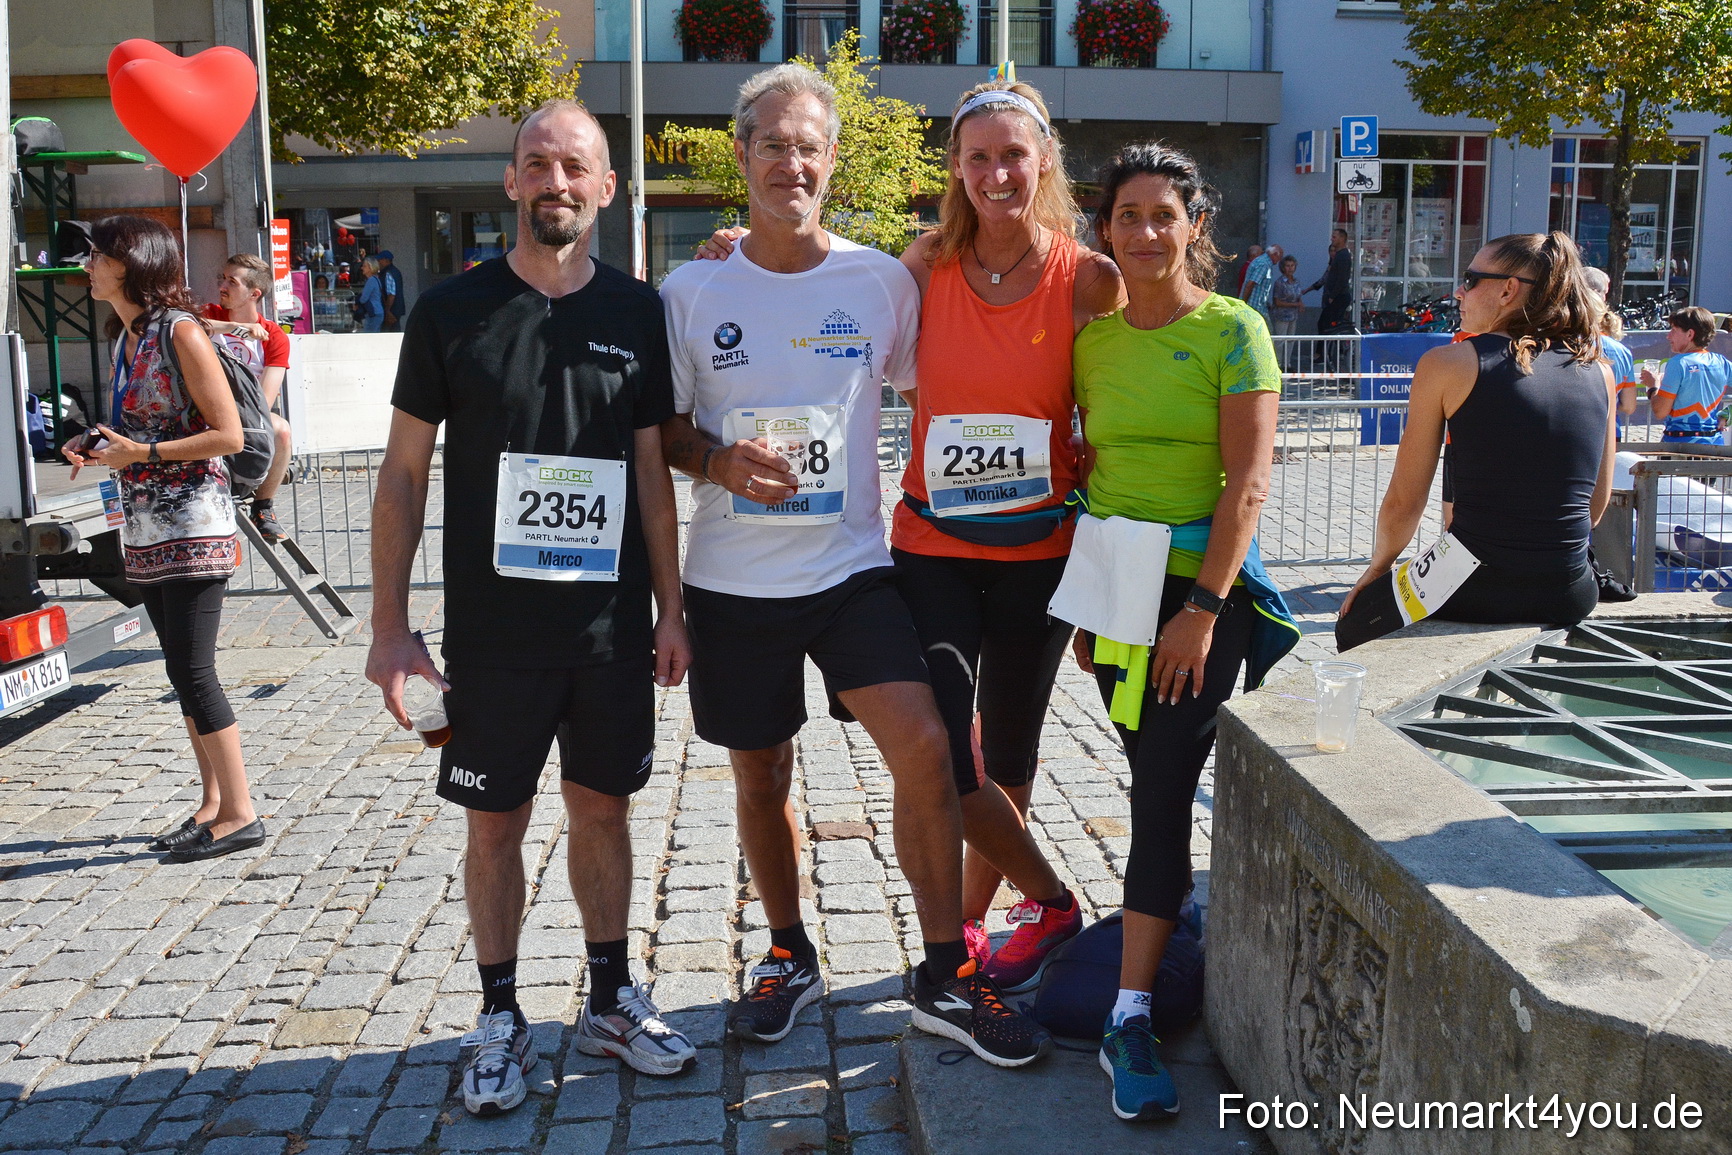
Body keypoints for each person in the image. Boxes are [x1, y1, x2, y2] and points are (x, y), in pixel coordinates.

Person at [656, 63, 1050, 1068]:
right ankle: (787, 954)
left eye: (809, 145)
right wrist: (714, 457)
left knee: (923, 743)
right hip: (735, 580)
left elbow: (957, 353)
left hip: (852, 571)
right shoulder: (691, 290)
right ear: (742, 157)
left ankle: (939, 974)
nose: (792, 162)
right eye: (773, 144)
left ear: (833, 161)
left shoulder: (881, 280)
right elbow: (658, 430)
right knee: (761, 773)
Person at [366, 98, 697, 1117]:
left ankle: (607, 996)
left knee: (604, 811)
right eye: (537, 165)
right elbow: (404, 474)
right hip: (493, 640)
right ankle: (499, 1016)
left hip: (605, 634)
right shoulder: (449, 311)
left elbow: (650, 474)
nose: (556, 182)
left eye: (576, 168)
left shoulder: (638, 312)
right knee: (494, 825)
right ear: (511, 182)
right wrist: (388, 626)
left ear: (606, 188)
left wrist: (672, 609)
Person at [1071, 142, 1296, 1121]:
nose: (1147, 232)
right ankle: (1170, 917)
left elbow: (1247, 484)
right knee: (1144, 770)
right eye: (1128, 216)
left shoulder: (1232, 328)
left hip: (1200, 597)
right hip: (1110, 593)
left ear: (1195, 224)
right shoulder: (1090, 338)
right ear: (1105, 227)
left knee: (1162, 790)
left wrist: (1200, 613)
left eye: (1165, 215)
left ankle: (1128, 1018)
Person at [65, 215, 262, 863]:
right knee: (180, 670)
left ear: (134, 263)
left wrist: (141, 450)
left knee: (196, 668)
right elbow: (140, 430)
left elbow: (228, 434)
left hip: (196, 524)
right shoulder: (126, 338)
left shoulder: (180, 331)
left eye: (97, 255)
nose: (86, 264)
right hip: (148, 529)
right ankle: (210, 805)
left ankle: (241, 813)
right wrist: (98, 445)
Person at [1337, 233, 1616, 651]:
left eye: (1471, 279)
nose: (1459, 292)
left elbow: (1403, 502)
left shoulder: (1448, 363)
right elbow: (1595, 506)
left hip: (1474, 585)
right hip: (1570, 588)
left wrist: (1378, 570)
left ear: (1508, 290)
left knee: (1353, 627)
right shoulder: (1601, 372)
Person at [206, 253, 295, 541]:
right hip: (202, 409)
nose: (222, 285)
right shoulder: (209, 314)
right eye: (222, 278)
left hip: (247, 414)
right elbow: (184, 327)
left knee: (281, 430)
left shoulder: (274, 336)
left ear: (254, 293)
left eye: (232, 281)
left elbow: (264, 399)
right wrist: (233, 328)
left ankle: (263, 506)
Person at [1641, 306, 1732, 445]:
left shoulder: (1679, 363)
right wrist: (1726, 416)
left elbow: (1660, 411)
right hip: (1713, 444)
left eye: (1674, 330)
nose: (1668, 336)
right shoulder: (1722, 362)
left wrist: (1653, 387)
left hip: (1679, 445)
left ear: (1690, 334)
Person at [1580, 267, 1640, 433]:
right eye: (1605, 293)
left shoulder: (1562, 344)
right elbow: (1628, 406)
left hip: (1575, 431)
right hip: (1611, 431)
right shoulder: (1621, 351)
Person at [1307, 228, 1353, 333]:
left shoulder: (1343, 256)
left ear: (1342, 238)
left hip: (1339, 297)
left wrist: (1333, 295)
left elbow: (1342, 279)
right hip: (1335, 296)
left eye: (1334, 237)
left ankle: (1332, 348)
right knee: (1324, 325)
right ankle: (1323, 348)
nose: (1331, 239)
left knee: (1328, 325)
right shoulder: (1338, 256)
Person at [1271, 254, 1304, 371]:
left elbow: (1298, 295)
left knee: (1290, 340)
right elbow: (1277, 302)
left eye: (1292, 266)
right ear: (1283, 268)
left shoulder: (1296, 281)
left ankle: (1287, 363)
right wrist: (1295, 305)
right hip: (1282, 315)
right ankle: (1278, 364)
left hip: (1293, 316)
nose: (1290, 268)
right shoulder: (1280, 282)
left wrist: (1300, 303)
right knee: (1280, 340)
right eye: (1287, 266)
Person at [1240, 243, 1280, 323]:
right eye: (1280, 257)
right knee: (1267, 333)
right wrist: (1242, 304)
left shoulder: (1264, 263)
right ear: (1275, 254)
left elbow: (1260, 288)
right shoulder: (1264, 264)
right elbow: (1250, 284)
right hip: (1255, 308)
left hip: (1256, 306)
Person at [355, 256, 386, 333]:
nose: (362, 268)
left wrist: (358, 300)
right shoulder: (376, 279)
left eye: (365, 266)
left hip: (373, 313)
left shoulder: (371, 280)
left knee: (369, 337)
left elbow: (363, 299)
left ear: (371, 268)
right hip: (378, 311)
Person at [377, 249, 406, 330]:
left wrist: (387, 310)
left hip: (392, 310)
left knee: (388, 333)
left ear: (386, 260)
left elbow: (391, 295)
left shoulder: (388, 273)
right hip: (397, 309)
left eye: (380, 260)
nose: (378, 262)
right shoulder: (395, 271)